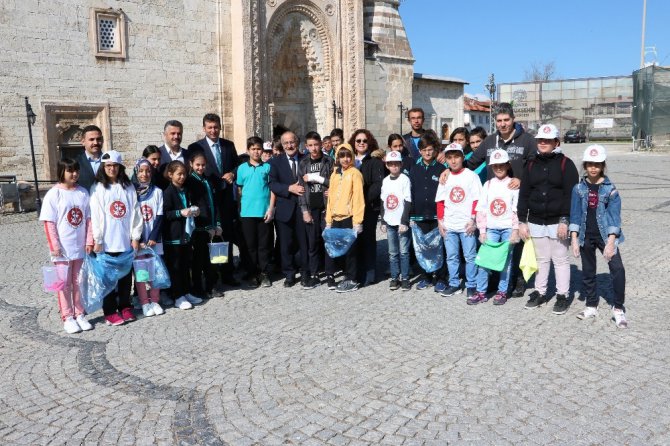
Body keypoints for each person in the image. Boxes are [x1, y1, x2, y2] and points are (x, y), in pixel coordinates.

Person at [458, 103, 538, 298]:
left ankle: (518, 280)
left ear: (513, 120)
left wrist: (522, 179)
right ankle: (494, 282)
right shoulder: (490, 141)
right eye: (499, 121)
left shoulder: (527, 140)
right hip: (494, 201)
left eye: (506, 120)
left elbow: (535, 166)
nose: (502, 124)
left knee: (517, 242)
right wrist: (449, 169)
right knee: (494, 247)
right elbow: (470, 162)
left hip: (520, 198)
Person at [518, 124, 579, 314]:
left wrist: (565, 220)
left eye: (547, 140)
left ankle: (562, 295)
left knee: (560, 260)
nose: (543, 143)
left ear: (556, 142)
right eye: (540, 140)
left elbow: (572, 195)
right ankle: (540, 292)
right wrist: (522, 221)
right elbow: (524, 194)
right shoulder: (530, 164)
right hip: (536, 220)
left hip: (557, 221)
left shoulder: (565, 164)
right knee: (541, 259)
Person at [569, 145, 627, 328]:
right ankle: (591, 304)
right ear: (585, 166)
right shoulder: (578, 189)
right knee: (588, 271)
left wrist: (611, 243)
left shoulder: (610, 189)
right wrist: (574, 239)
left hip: (605, 235)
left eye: (597, 164)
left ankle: (618, 308)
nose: (593, 167)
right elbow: (575, 215)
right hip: (586, 235)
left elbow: (615, 218)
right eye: (589, 164)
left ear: (603, 165)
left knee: (618, 269)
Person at [39, 158, 94, 333]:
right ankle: (67, 316)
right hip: (62, 249)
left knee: (79, 282)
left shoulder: (83, 192)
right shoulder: (54, 194)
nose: (74, 174)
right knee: (64, 284)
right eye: (70, 170)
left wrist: (89, 240)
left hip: (80, 247)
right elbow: (49, 223)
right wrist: (54, 246)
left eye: (76, 170)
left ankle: (80, 313)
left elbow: (89, 219)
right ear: (62, 172)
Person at [90, 150, 143, 326]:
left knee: (125, 278)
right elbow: (96, 216)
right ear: (103, 168)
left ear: (120, 167)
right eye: (108, 166)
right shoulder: (98, 188)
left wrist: (135, 236)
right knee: (108, 280)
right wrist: (97, 239)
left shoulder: (127, 187)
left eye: (115, 166)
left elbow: (136, 212)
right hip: (106, 242)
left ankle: (125, 306)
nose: (112, 169)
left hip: (124, 240)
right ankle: (110, 311)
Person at [188, 113, 240, 286]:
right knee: (207, 240)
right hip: (205, 200)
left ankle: (227, 273)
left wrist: (233, 173)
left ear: (220, 127)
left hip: (225, 200)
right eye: (209, 127)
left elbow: (237, 164)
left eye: (216, 127)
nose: (213, 130)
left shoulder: (228, 145)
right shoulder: (195, 147)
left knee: (226, 236)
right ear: (204, 128)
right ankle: (211, 277)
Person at [435, 143, 482, 299]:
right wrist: (440, 221)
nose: (453, 161)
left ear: (463, 157)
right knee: (451, 256)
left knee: (470, 256)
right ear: (446, 159)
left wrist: (473, 219)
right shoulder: (445, 177)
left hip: (466, 224)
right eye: (449, 158)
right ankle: (454, 283)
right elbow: (440, 201)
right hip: (449, 224)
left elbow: (477, 200)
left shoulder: (471, 176)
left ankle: (471, 285)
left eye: (456, 157)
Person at [473, 149, 520, 305]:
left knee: (506, 262)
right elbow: (481, 208)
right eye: (495, 166)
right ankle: (481, 291)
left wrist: (515, 230)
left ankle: (502, 291)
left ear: (507, 165)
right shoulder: (488, 184)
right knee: (484, 260)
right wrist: (482, 231)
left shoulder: (513, 184)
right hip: (491, 228)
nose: (498, 168)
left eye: (501, 165)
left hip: (508, 228)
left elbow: (516, 208)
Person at [408, 130, 447, 291]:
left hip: (436, 215)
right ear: (420, 151)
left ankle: (441, 277)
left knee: (439, 247)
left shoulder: (441, 169)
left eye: (430, 149)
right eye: (424, 150)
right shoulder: (415, 169)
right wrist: (410, 215)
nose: (427, 153)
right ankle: (426, 276)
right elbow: (411, 192)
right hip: (419, 215)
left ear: (435, 150)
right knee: (423, 247)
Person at [162, 160, 203, 310]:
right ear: (170, 174)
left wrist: (194, 210)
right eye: (179, 174)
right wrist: (181, 212)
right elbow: (165, 214)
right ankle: (177, 295)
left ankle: (186, 291)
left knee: (186, 265)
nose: (182, 177)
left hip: (185, 235)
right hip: (173, 236)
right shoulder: (168, 192)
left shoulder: (185, 190)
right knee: (176, 267)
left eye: (184, 174)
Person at [269, 131, 308, 287]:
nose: (289, 145)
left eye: (292, 142)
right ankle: (289, 274)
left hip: (304, 208)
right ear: (282, 145)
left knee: (304, 242)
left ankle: (305, 272)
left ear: (297, 142)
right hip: (285, 208)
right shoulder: (275, 162)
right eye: (286, 143)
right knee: (285, 244)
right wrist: (289, 188)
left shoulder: (306, 159)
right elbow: (272, 184)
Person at [236, 137, 276, 288]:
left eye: (259, 149)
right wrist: (240, 209)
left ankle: (264, 272)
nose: (256, 151)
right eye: (253, 149)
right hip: (247, 213)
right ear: (248, 151)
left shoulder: (267, 168)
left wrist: (271, 208)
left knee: (264, 244)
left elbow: (272, 189)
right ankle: (252, 272)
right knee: (249, 245)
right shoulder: (242, 168)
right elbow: (239, 190)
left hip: (264, 211)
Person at [325, 144, 365, 292]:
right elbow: (331, 199)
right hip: (336, 217)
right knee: (338, 249)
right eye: (342, 156)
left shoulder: (355, 173)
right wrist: (328, 220)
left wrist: (357, 222)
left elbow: (358, 198)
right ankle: (344, 275)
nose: (345, 159)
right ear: (337, 158)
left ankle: (352, 279)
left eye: (348, 155)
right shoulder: (335, 174)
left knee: (351, 251)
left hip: (349, 217)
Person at [298, 131, 335, 289]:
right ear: (306, 146)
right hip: (311, 207)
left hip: (326, 207)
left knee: (328, 241)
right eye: (310, 145)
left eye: (316, 145)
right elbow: (301, 189)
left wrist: (323, 182)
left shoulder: (329, 161)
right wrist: (304, 210)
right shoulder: (303, 163)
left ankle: (330, 274)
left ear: (321, 144)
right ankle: (314, 274)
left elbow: (336, 182)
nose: (314, 148)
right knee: (312, 243)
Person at [350, 129, 385, 286]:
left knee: (368, 240)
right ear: (354, 143)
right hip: (350, 208)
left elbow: (378, 184)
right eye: (358, 141)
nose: (361, 143)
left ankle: (369, 274)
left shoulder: (374, 162)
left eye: (364, 140)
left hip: (368, 207)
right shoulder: (349, 160)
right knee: (354, 240)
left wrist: (361, 200)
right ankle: (355, 272)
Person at [187, 151, 223, 299]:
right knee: (198, 260)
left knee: (213, 260)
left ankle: (212, 285)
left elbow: (214, 203)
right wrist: (206, 227)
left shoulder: (208, 180)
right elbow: (194, 207)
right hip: (200, 228)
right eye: (197, 165)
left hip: (213, 227)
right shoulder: (190, 181)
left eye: (203, 165)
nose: (200, 168)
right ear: (191, 164)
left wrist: (217, 224)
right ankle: (198, 288)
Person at [132, 158, 165, 317]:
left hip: (153, 239)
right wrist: (137, 238)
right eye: (141, 171)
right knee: (141, 273)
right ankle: (144, 302)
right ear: (136, 172)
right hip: (138, 240)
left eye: (147, 171)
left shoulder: (158, 192)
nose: (144, 174)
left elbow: (159, 215)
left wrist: (154, 237)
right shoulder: (131, 192)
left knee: (155, 270)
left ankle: (155, 300)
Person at [380, 151, 412, 291]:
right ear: (387, 165)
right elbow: (383, 201)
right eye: (391, 164)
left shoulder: (405, 179)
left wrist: (404, 221)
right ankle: (394, 277)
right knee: (392, 252)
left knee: (404, 251)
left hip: (401, 222)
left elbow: (408, 200)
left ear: (400, 165)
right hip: (389, 220)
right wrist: (383, 221)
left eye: (396, 164)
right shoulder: (385, 181)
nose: (394, 167)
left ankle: (405, 277)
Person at [75, 125, 104, 191]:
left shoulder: (111, 161)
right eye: (91, 139)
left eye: (98, 139)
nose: (95, 142)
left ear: (102, 140)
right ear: (83, 142)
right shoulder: (75, 163)